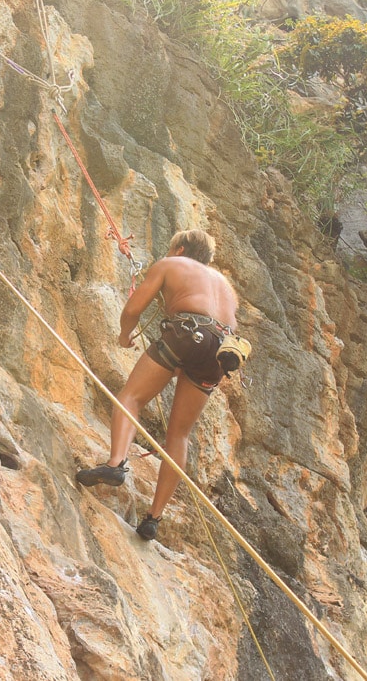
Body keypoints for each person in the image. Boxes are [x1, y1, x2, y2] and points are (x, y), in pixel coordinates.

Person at [76, 229, 243, 542]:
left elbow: (132, 311)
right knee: (179, 434)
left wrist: (125, 336)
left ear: (179, 248)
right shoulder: (225, 286)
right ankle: (153, 518)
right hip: (221, 352)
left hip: (187, 333)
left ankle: (115, 464)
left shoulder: (169, 264)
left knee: (131, 396)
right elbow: (223, 323)